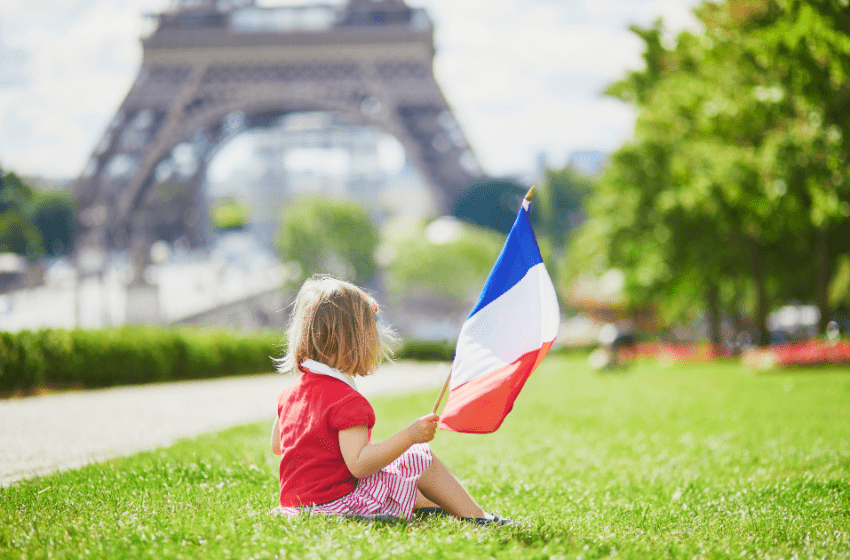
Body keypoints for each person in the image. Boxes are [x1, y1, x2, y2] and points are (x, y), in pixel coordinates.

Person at [270, 275, 511, 525]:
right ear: (355, 341)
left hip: (296, 507)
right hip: (336, 506)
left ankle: (429, 505)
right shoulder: (346, 401)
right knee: (418, 457)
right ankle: (477, 517)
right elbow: (359, 465)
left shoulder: (290, 393)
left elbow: (278, 445)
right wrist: (410, 436)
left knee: (394, 469)